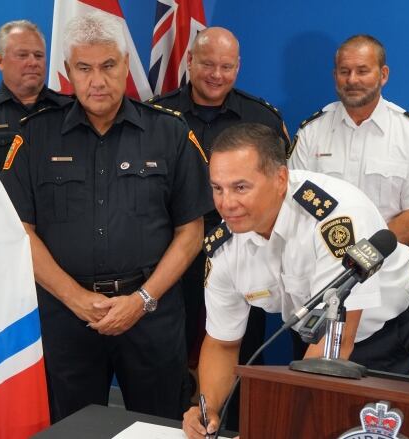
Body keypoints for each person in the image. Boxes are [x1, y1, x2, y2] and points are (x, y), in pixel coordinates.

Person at [0, 12, 214, 422]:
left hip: (151, 314)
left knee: (162, 425)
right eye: (84, 68)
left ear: (125, 66)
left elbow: (191, 230)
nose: (97, 80)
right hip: (66, 317)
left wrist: (142, 300)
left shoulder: (168, 132)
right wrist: (76, 299)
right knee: (72, 428)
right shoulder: (34, 136)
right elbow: (20, 232)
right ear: (67, 72)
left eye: (108, 66)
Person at [183, 123, 409, 439]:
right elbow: (222, 342)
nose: (226, 203)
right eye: (218, 188)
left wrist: (283, 422)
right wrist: (208, 408)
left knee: (364, 430)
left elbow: (339, 339)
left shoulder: (333, 219)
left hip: (379, 333)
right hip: (311, 332)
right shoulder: (225, 245)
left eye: (241, 187)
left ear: (280, 179)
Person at [149, 27, 290, 425]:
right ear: (189, 61)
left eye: (226, 66)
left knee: (239, 346)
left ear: (238, 67)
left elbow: (280, 185)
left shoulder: (262, 117)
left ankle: (231, 424)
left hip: (246, 252)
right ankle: (180, 425)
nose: (216, 74)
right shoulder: (155, 114)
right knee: (170, 351)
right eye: (207, 63)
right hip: (175, 254)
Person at [290, 34, 409, 248]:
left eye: (362, 71)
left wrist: (362, 258)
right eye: (344, 72)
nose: (352, 80)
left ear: (383, 75)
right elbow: (294, 202)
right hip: (318, 264)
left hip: (388, 268)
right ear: (335, 76)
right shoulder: (311, 131)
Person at [0, 20, 72, 173]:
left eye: (38, 55)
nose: (33, 62)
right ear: (0, 61)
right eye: (22, 55)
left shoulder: (70, 111)